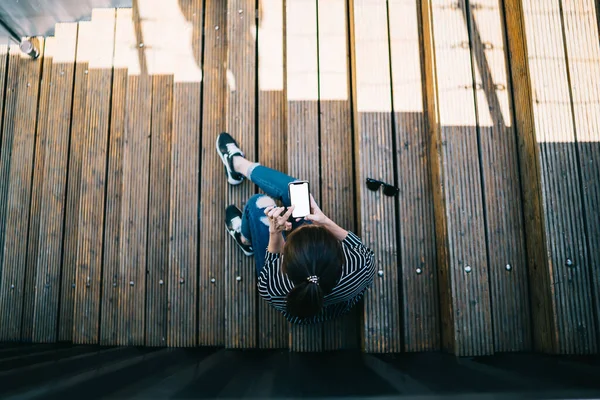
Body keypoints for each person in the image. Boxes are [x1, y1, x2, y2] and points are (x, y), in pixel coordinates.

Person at [217, 132, 375, 324]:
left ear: (285, 260)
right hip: (339, 305)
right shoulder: (361, 267)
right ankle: (239, 165)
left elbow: (272, 260)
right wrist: (323, 220)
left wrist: (275, 232)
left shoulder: (273, 285)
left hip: (300, 313)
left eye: (291, 235)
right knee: (299, 190)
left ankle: (245, 240)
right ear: (338, 253)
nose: (304, 224)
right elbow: (357, 245)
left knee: (258, 203)